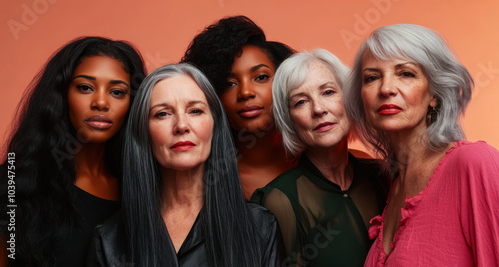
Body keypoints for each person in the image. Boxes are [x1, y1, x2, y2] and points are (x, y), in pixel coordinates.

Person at [87, 63, 284, 266]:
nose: (181, 125)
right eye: (162, 113)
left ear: (215, 126)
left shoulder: (261, 227)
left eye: (195, 111)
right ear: (143, 133)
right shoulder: (108, 240)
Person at [344, 24, 499, 266]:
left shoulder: (474, 163)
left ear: (434, 94)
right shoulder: (390, 187)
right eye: (372, 77)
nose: (386, 89)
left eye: (406, 74)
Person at [0, 36, 146, 267]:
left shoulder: (142, 188)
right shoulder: (13, 182)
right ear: (62, 95)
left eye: (117, 92)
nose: (100, 102)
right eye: (85, 87)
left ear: (133, 102)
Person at [251, 49, 390, 267]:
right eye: (300, 102)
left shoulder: (381, 174)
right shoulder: (280, 199)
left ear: (351, 98)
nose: (318, 109)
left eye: (328, 92)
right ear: (289, 121)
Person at [182, 15, 296, 199]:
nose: (245, 92)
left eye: (261, 77)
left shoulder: (326, 165)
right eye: (229, 83)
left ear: (284, 81)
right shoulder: (204, 183)